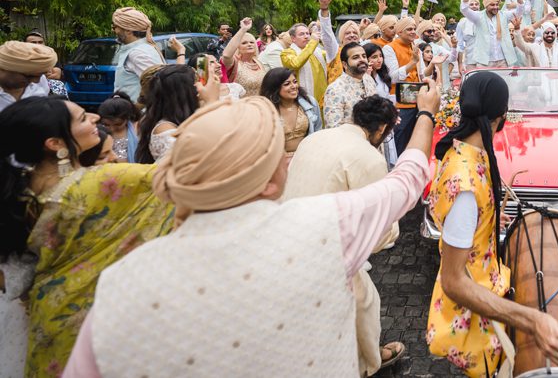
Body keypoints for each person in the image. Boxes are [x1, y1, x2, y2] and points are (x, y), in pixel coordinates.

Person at [62, 87, 442, 378]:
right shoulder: (327, 226)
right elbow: (407, 180)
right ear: (268, 180)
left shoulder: (118, 286)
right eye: (280, 154)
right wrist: (425, 112)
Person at [426, 71, 558, 376]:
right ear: (502, 115)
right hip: (474, 306)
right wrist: (533, 319)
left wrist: (488, 215)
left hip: (486, 283)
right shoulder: (466, 185)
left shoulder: (462, 148)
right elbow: (454, 281)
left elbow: (460, 219)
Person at [0, 97, 173, 377]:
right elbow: (184, 172)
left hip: (48, 312)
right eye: (82, 119)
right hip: (96, 319)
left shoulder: (19, 186)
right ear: (55, 144)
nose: (94, 118)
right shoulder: (98, 183)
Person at [283, 95, 404, 375]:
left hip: (287, 231)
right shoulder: (368, 157)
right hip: (326, 246)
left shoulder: (316, 138)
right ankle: (369, 363)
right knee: (365, 304)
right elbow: (378, 232)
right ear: (381, 128)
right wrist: (393, 231)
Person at [135, 64, 203, 164]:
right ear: (186, 94)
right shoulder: (164, 129)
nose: (202, 88)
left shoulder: (182, 117)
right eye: (197, 84)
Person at [382, 17, 427, 153]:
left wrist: (433, 65)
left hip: (418, 101)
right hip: (401, 104)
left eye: (414, 28)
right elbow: (393, 77)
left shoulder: (415, 47)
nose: (413, 32)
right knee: (400, 142)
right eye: (409, 29)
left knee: (417, 141)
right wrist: (412, 63)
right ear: (400, 32)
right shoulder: (389, 48)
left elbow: (422, 74)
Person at [458, 0, 525, 69]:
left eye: (497, 4)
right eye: (492, 5)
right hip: (484, 61)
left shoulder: (503, 15)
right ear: (486, 5)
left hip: (503, 60)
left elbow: (519, 12)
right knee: (485, 83)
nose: (496, 7)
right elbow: (464, 9)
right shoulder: (478, 17)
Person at [260, 67, 322, 159]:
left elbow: (318, 130)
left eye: (295, 82)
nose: (294, 86)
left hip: (308, 157)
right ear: (275, 88)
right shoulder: (266, 110)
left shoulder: (309, 102)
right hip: (279, 161)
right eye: (287, 84)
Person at [110, 7, 162, 100]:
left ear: (128, 31)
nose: (113, 30)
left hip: (137, 114)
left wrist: (135, 110)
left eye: (115, 27)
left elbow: (156, 88)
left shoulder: (138, 53)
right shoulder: (140, 49)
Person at [323, 42, 376, 129]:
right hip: (349, 141)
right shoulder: (335, 89)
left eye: (364, 56)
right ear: (344, 64)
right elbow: (333, 128)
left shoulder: (369, 80)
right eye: (355, 57)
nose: (362, 59)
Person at [363, 42, 398, 166]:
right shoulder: (363, 77)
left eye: (380, 56)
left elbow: (387, 96)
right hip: (373, 121)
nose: (379, 60)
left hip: (387, 119)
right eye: (374, 57)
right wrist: (366, 76)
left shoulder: (382, 75)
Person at [281, 21, 328, 108]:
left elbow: (332, 56)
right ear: (293, 38)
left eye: (307, 33)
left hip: (323, 99)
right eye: (302, 34)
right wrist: (313, 42)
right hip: (302, 100)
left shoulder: (317, 52)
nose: (306, 36)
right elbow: (296, 64)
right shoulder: (286, 53)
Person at [0, 40, 57, 110]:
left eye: (40, 75)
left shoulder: (41, 81)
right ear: (4, 69)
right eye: (29, 76)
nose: (36, 81)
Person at [221, 18, 266, 96]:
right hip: (240, 106)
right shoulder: (234, 63)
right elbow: (226, 55)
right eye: (244, 43)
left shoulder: (258, 63)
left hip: (258, 105)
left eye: (252, 42)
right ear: (237, 47)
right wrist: (243, 29)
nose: (249, 44)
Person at [97, 92, 140, 162]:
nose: (111, 129)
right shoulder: (97, 132)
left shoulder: (137, 130)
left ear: (127, 119)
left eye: (118, 124)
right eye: (106, 125)